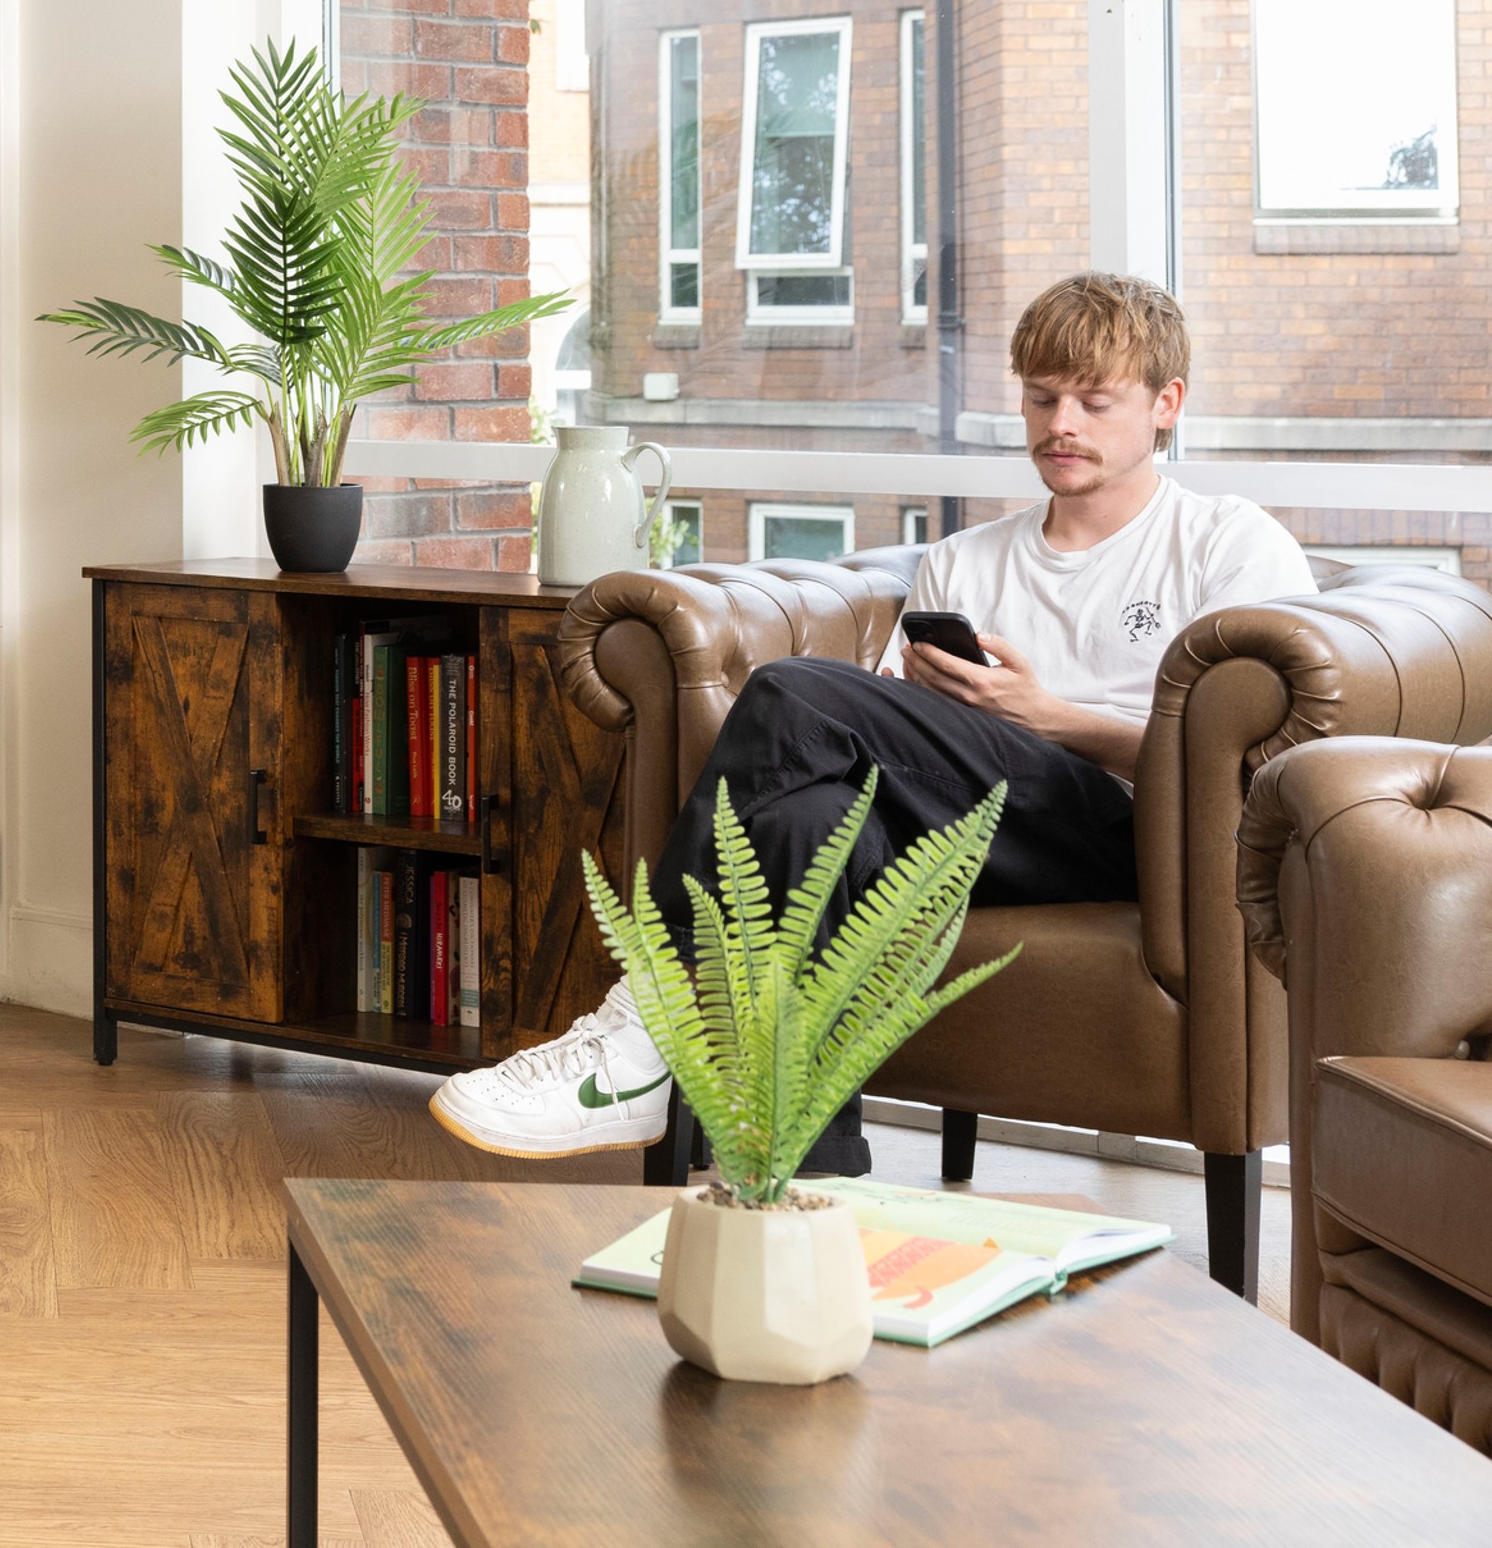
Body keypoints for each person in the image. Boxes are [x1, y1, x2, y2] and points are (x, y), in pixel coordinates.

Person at [431, 271, 1313, 1175]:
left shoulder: (1226, 541)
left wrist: (1050, 718)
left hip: (1133, 831)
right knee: (812, 823)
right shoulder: (964, 561)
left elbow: (1265, 765)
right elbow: (872, 758)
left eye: (1095, 401)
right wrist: (955, 720)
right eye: (1042, 398)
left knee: (788, 693)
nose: (1062, 425)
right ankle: (809, 1189)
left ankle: (638, 1029)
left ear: (1167, 405)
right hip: (966, 832)